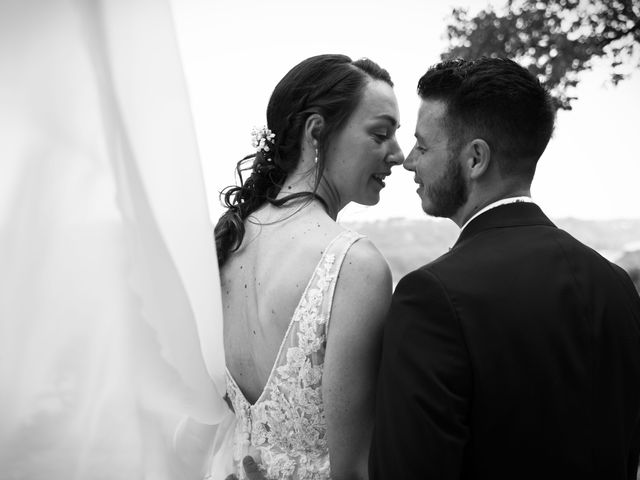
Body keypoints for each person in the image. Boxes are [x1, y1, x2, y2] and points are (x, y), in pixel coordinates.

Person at [369, 57, 640, 479]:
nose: (409, 162)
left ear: (475, 158)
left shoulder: (432, 298)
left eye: (423, 145)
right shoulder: (617, 286)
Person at [210, 54, 404, 480]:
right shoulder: (354, 265)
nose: (399, 155)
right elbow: (352, 471)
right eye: (381, 134)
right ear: (317, 131)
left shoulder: (223, 247)